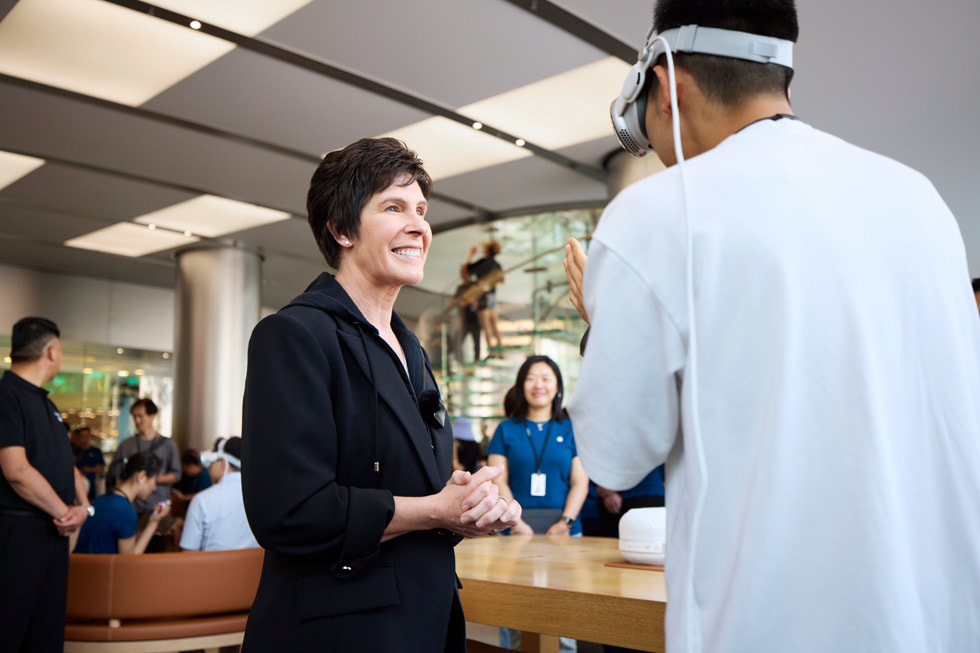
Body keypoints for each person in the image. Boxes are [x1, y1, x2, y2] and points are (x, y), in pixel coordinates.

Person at [565, 2, 980, 652]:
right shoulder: (920, 200)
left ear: (668, 85)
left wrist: (608, 327)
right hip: (938, 629)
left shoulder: (656, 213)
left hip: (768, 628)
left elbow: (615, 455)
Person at [241, 137, 522, 653]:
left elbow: (421, 493)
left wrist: (472, 506)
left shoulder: (411, 349)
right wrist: (439, 509)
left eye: (421, 209)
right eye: (394, 207)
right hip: (340, 630)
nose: (419, 224)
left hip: (425, 619)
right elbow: (288, 512)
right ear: (341, 229)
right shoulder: (295, 335)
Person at [0, 317, 92, 653]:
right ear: (51, 352)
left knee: (46, 633)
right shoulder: (7, 394)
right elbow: (16, 470)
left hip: (53, 533)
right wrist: (65, 512)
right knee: (11, 629)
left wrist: (84, 508)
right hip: (19, 534)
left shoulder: (48, 404)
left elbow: (66, 466)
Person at [487, 355, 588, 536]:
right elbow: (497, 480)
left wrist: (566, 522)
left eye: (546, 378)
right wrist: (516, 524)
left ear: (557, 387)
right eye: (530, 378)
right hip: (514, 529)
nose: (538, 385)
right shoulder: (505, 430)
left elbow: (580, 482)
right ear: (521, 386)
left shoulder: (571, 429)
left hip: (565, 530)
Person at [109, 398, 180, 551]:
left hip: (156, 508)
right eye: (134, 417)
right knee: (129, 552)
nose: (137, 420)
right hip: (131, 506)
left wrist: (150, 479)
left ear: (153, 415)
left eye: (141, 416)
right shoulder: (126, 445)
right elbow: (115, 474)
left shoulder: (168, 445)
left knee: (156, 554)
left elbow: (176, 475)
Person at [74, 452, 171, 554]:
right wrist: (154, 523)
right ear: (141, 476)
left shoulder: (100, 500)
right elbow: (129, 563)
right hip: (100, 569)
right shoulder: (126, 512)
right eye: (154, 481)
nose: (154, 488)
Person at [180, 437, 258, 551]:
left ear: (223, 463)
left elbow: (188, 553)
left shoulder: (202, 500)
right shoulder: (262, 499)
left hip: (212, 568)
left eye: (212, 462)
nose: (210, 467)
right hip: (254, 568)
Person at [464, 241, 504, 355]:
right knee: (495, 326)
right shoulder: (497, 264)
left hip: (482, 296)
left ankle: (491, 352)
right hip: (493, 296)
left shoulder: (483, 262)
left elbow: (467, 269)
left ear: (487, 250)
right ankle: (501, 352)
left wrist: (471, 254)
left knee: (486, 326)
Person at [73, 425, 105, 501]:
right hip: (76, 486)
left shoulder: (96, 451)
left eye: (86, 436)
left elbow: (102, 466)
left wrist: (90, 469)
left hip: (92, 484)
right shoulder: (73, 451)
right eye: (82, 436)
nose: (84, 439)